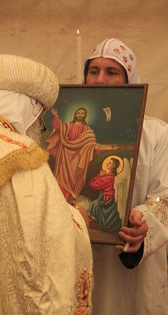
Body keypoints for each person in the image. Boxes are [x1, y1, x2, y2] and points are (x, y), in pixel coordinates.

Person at [0, 54, 93, 314]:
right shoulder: (22, 158)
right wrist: (78, 222)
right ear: (31, 109)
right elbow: (47, 250)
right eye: (40, 119)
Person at [84, 38, 168, 314]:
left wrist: (143, 221)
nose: (99, 79)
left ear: (129, 79)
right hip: (82, 256)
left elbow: (165, 195)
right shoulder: (77, 132)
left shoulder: (157, 134)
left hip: (132, 268)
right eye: (93, 71)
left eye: (111, 71)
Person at [88, 156, 122, 232]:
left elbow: (93, 184)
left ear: (113, 166)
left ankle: (97, 225)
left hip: (106, 200)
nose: (107, 163)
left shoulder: (109, 178)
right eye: (107, 162)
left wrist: (99, 175)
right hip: (108, 199)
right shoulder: (111, 176)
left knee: (94, 204)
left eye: (110, 163)